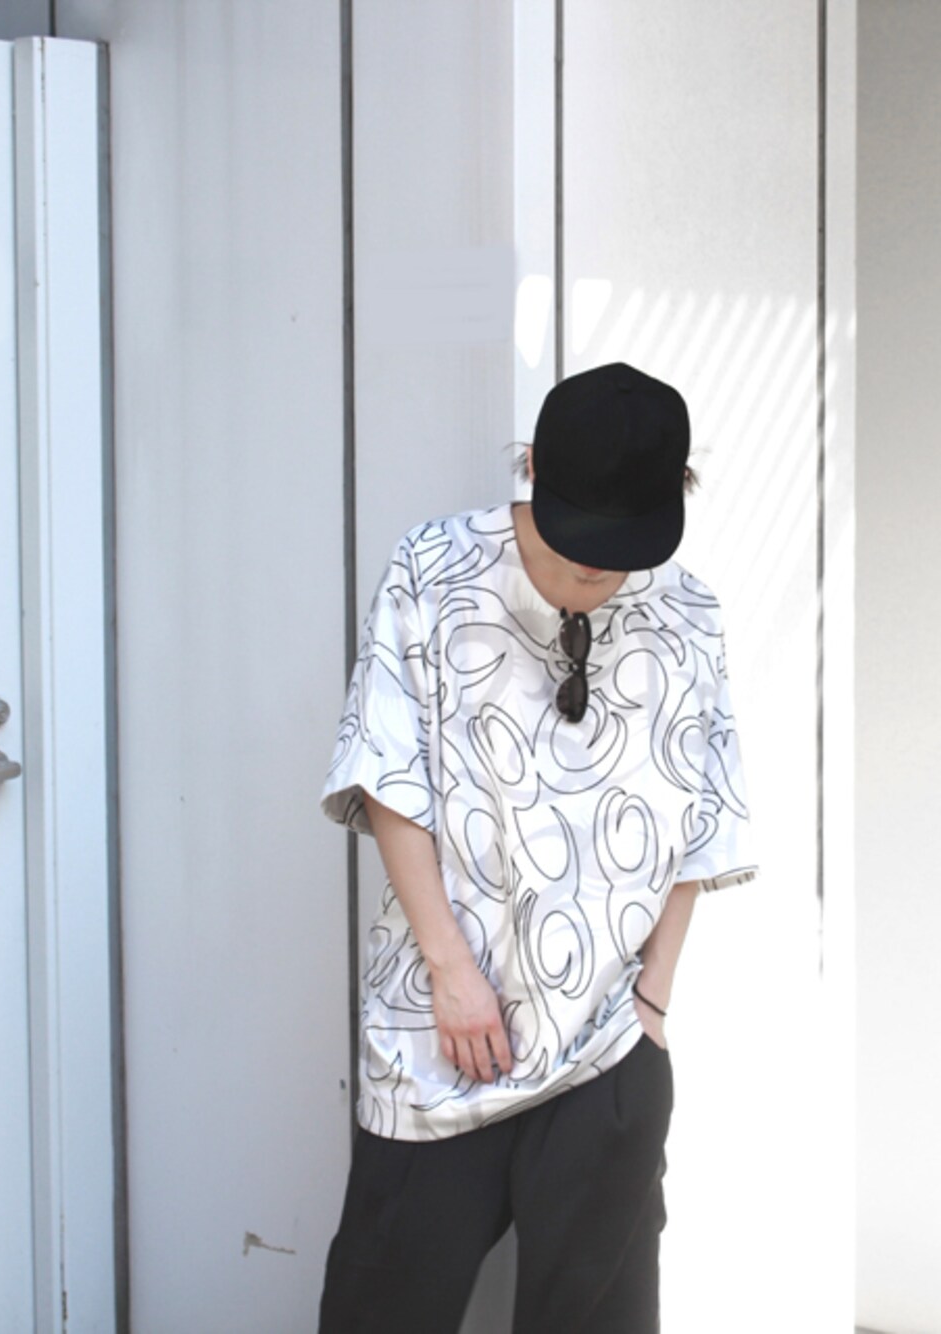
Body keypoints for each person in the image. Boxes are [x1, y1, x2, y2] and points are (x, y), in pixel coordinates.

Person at [317, 363, 757, 1333]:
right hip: (443, 1031)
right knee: (381, 1305)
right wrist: (449, 972)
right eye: (577, 550)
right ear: (532, 470)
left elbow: (699, 816)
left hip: (607, 1044)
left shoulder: (687, 612)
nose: (595, 575)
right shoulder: (433, 570)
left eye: (617, 556)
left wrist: (651, 1001)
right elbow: (390, 778)